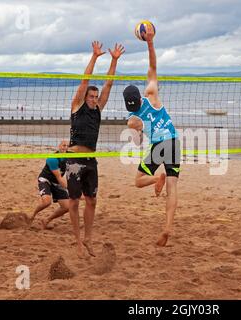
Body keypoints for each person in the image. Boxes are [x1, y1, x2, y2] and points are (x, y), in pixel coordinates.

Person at [123, 24, 180, 247]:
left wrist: (137, 130)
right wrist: (150, 42)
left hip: (158, 145)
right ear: (139, 96)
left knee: (138, 181)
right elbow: (153, 66)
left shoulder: (132, 119)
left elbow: (137, 143)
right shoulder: (151, 94)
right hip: (173, 141)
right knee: (173, 186)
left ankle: (157, 178)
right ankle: (167, 228)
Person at [66, 41, 125, 258]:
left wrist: (114, 60)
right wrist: (94, 57)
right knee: (74, 201)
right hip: (74, 160)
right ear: (84, 97)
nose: (93, 98)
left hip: (90, 160)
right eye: (90, 96)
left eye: (94, 96)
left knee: (92, 200)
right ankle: (78, 242)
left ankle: (88, 238)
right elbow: (85, 80)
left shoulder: (98, 109)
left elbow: (108, 85)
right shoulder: (77, 106)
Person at [30, 140, 69, 229]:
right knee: (47, 202)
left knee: (67, 207)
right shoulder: (52, 159)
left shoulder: (69, 156)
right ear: (59, 146)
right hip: (46, 180)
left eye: (67, 146)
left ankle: (47, 220)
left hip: (56, 182)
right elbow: (59, 178)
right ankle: (32, 215)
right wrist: (73, 191)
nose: (65, 147)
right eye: (63, 145)